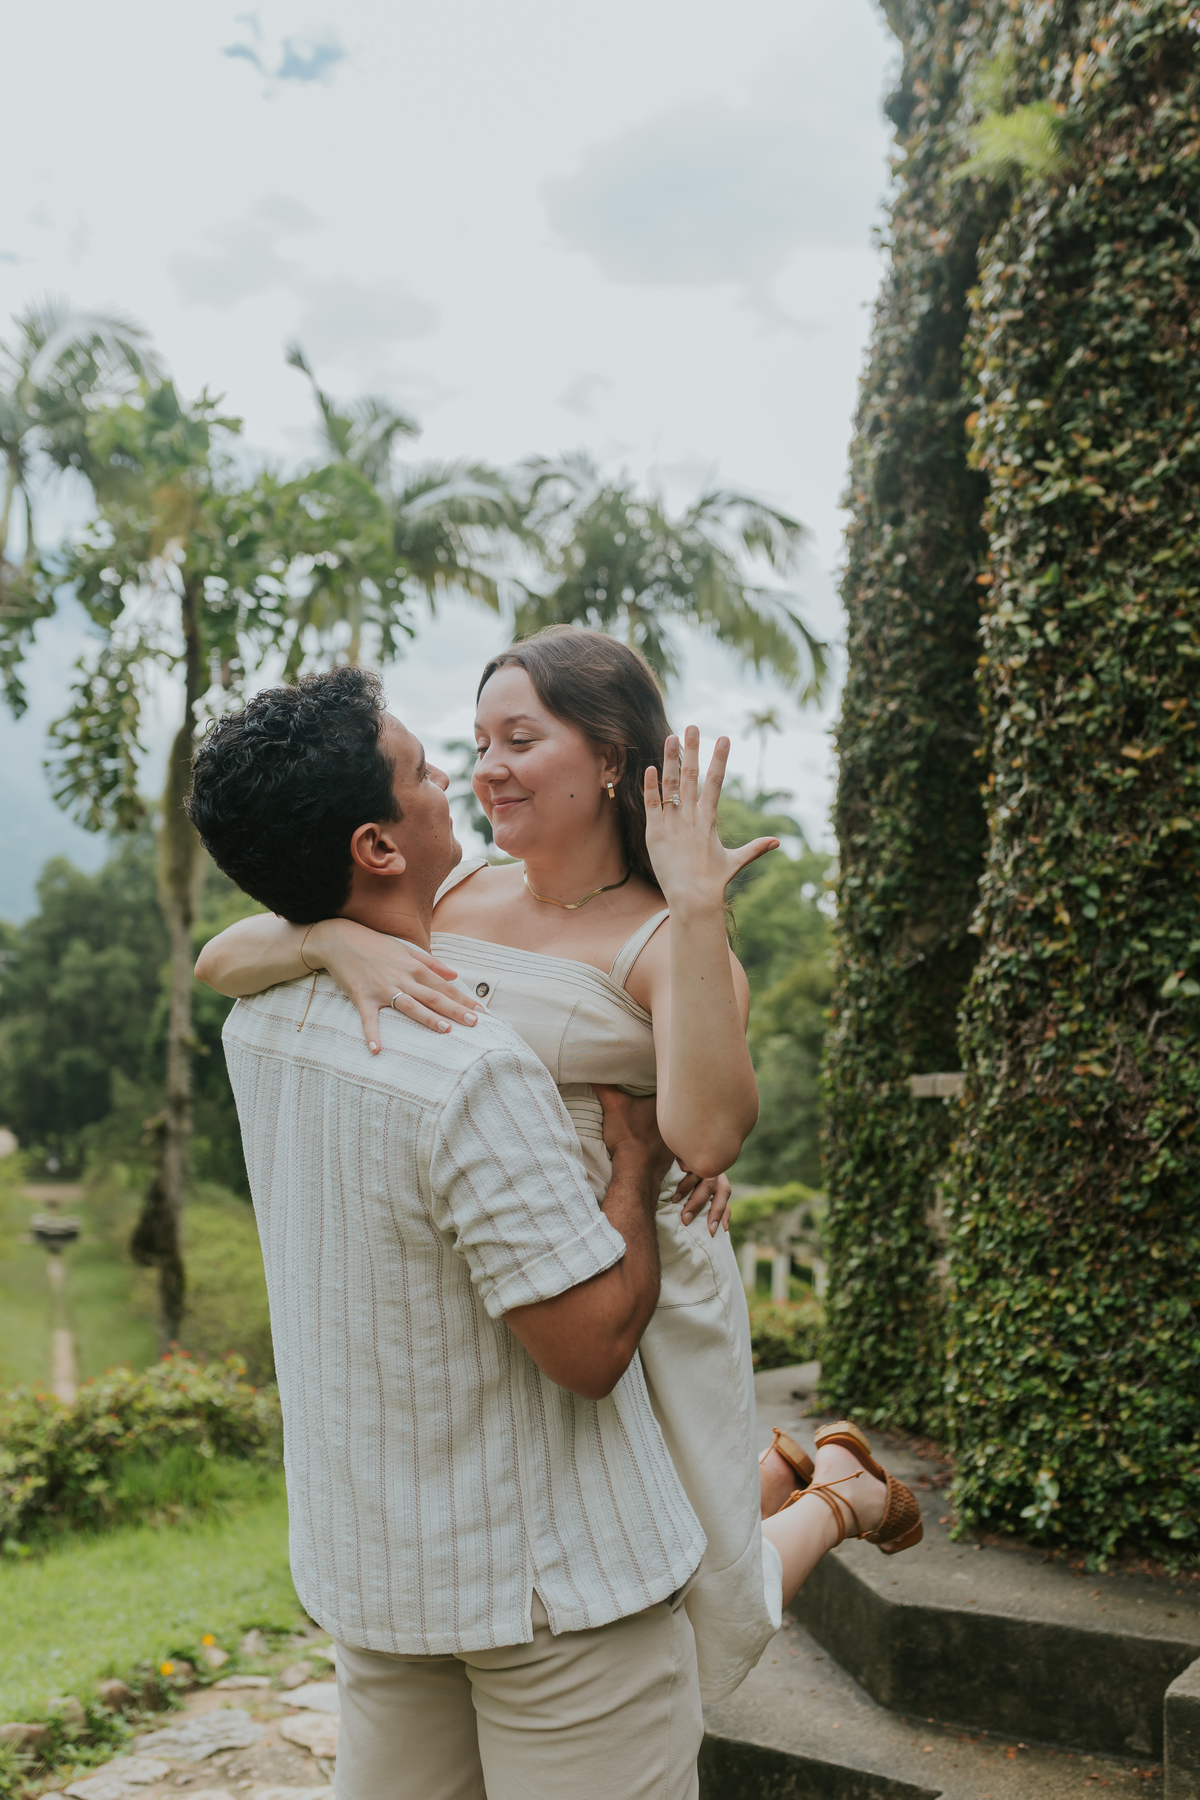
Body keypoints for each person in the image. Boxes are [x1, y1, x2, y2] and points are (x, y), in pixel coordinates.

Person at [197, 628, 924, 1709]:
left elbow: (711, 1135)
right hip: (506, 1284)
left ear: (612, 760)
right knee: (637, 1562)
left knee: (698, 1598)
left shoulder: (665, 941)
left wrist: (698, 906)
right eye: (477, 738)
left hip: (636, 1293)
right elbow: (221, 960)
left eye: (519, 739)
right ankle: (782, 1474)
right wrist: (325, 944)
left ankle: (839, 1494)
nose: (483, 766)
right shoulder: (452, 890)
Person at [187, 666, 708, 1800]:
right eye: (426, 769)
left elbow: (234, 955)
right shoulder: (471, 1069)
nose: (454, 785)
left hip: (379, 1577)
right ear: (378, 845)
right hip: (553, 1600)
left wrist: (326, 941)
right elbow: (589, 1350)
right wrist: (636, 1171)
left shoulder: (260, 1024)